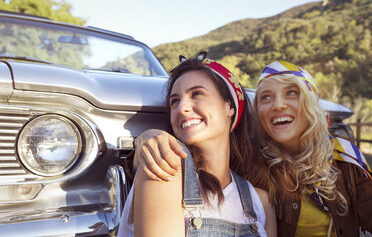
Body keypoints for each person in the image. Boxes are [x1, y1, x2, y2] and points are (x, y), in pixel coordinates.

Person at [126, 60, 372, 237]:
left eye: (292, 93)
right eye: (265, 97)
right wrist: (144, 140)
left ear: (229, 107)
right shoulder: (256, 163)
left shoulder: (345, 158)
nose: (278, 105)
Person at [118, 52, 277, 237]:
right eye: (174, 101)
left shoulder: (261, 202)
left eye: (197, 94)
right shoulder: (165, 169)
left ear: (229, 106)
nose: (181, 108)